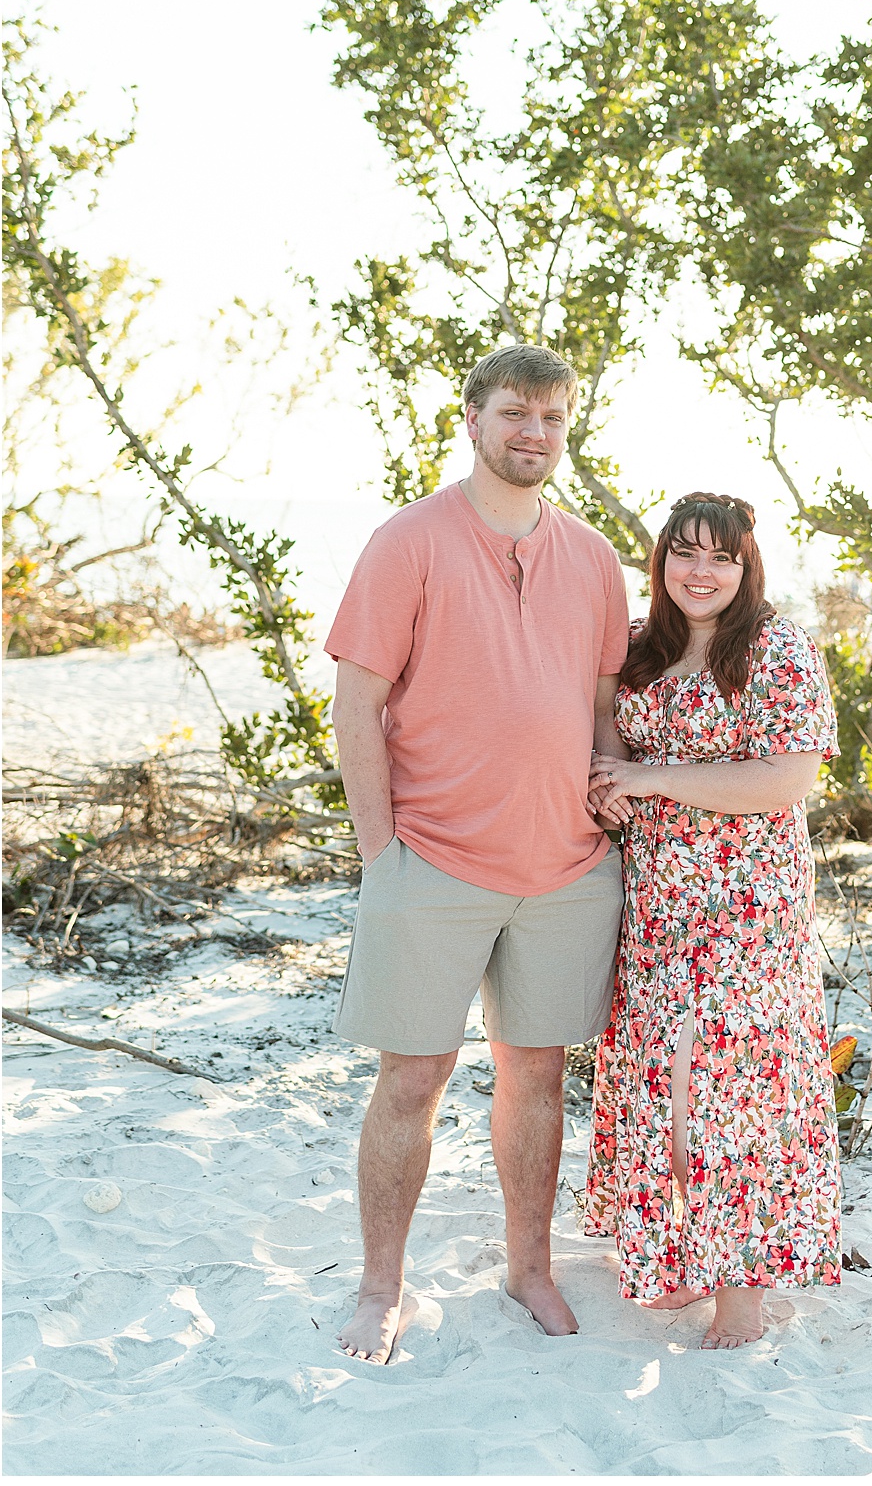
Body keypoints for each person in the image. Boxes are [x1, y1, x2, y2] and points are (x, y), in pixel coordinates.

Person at [326, 343, 631, 1364]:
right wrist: (382, 854)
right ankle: (381, 1287)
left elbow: (600, 705)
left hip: (563, 869)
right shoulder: (408, 540)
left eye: (551, 417)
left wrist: (608, 796)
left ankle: (529, 1266)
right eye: (514, 413)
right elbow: (357, 704)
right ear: (472, 418)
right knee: (412, 1078)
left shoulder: (592, 557)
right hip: (432, 864)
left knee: (534, 1074)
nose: (532, 433)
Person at [580, 492, 842, 1350]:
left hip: (748, 909)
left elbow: (783, 780)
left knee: (726, 1092)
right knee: (666, 1092)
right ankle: (689, 1253)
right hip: (657, 908)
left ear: (745, 566)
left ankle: (743, 1291)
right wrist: (612, 778)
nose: (701, 570)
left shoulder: (775, 650)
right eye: (684, 553)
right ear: (660, 561)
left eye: (720, 557)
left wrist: (654, 780)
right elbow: (604, 732)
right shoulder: (637, 647)